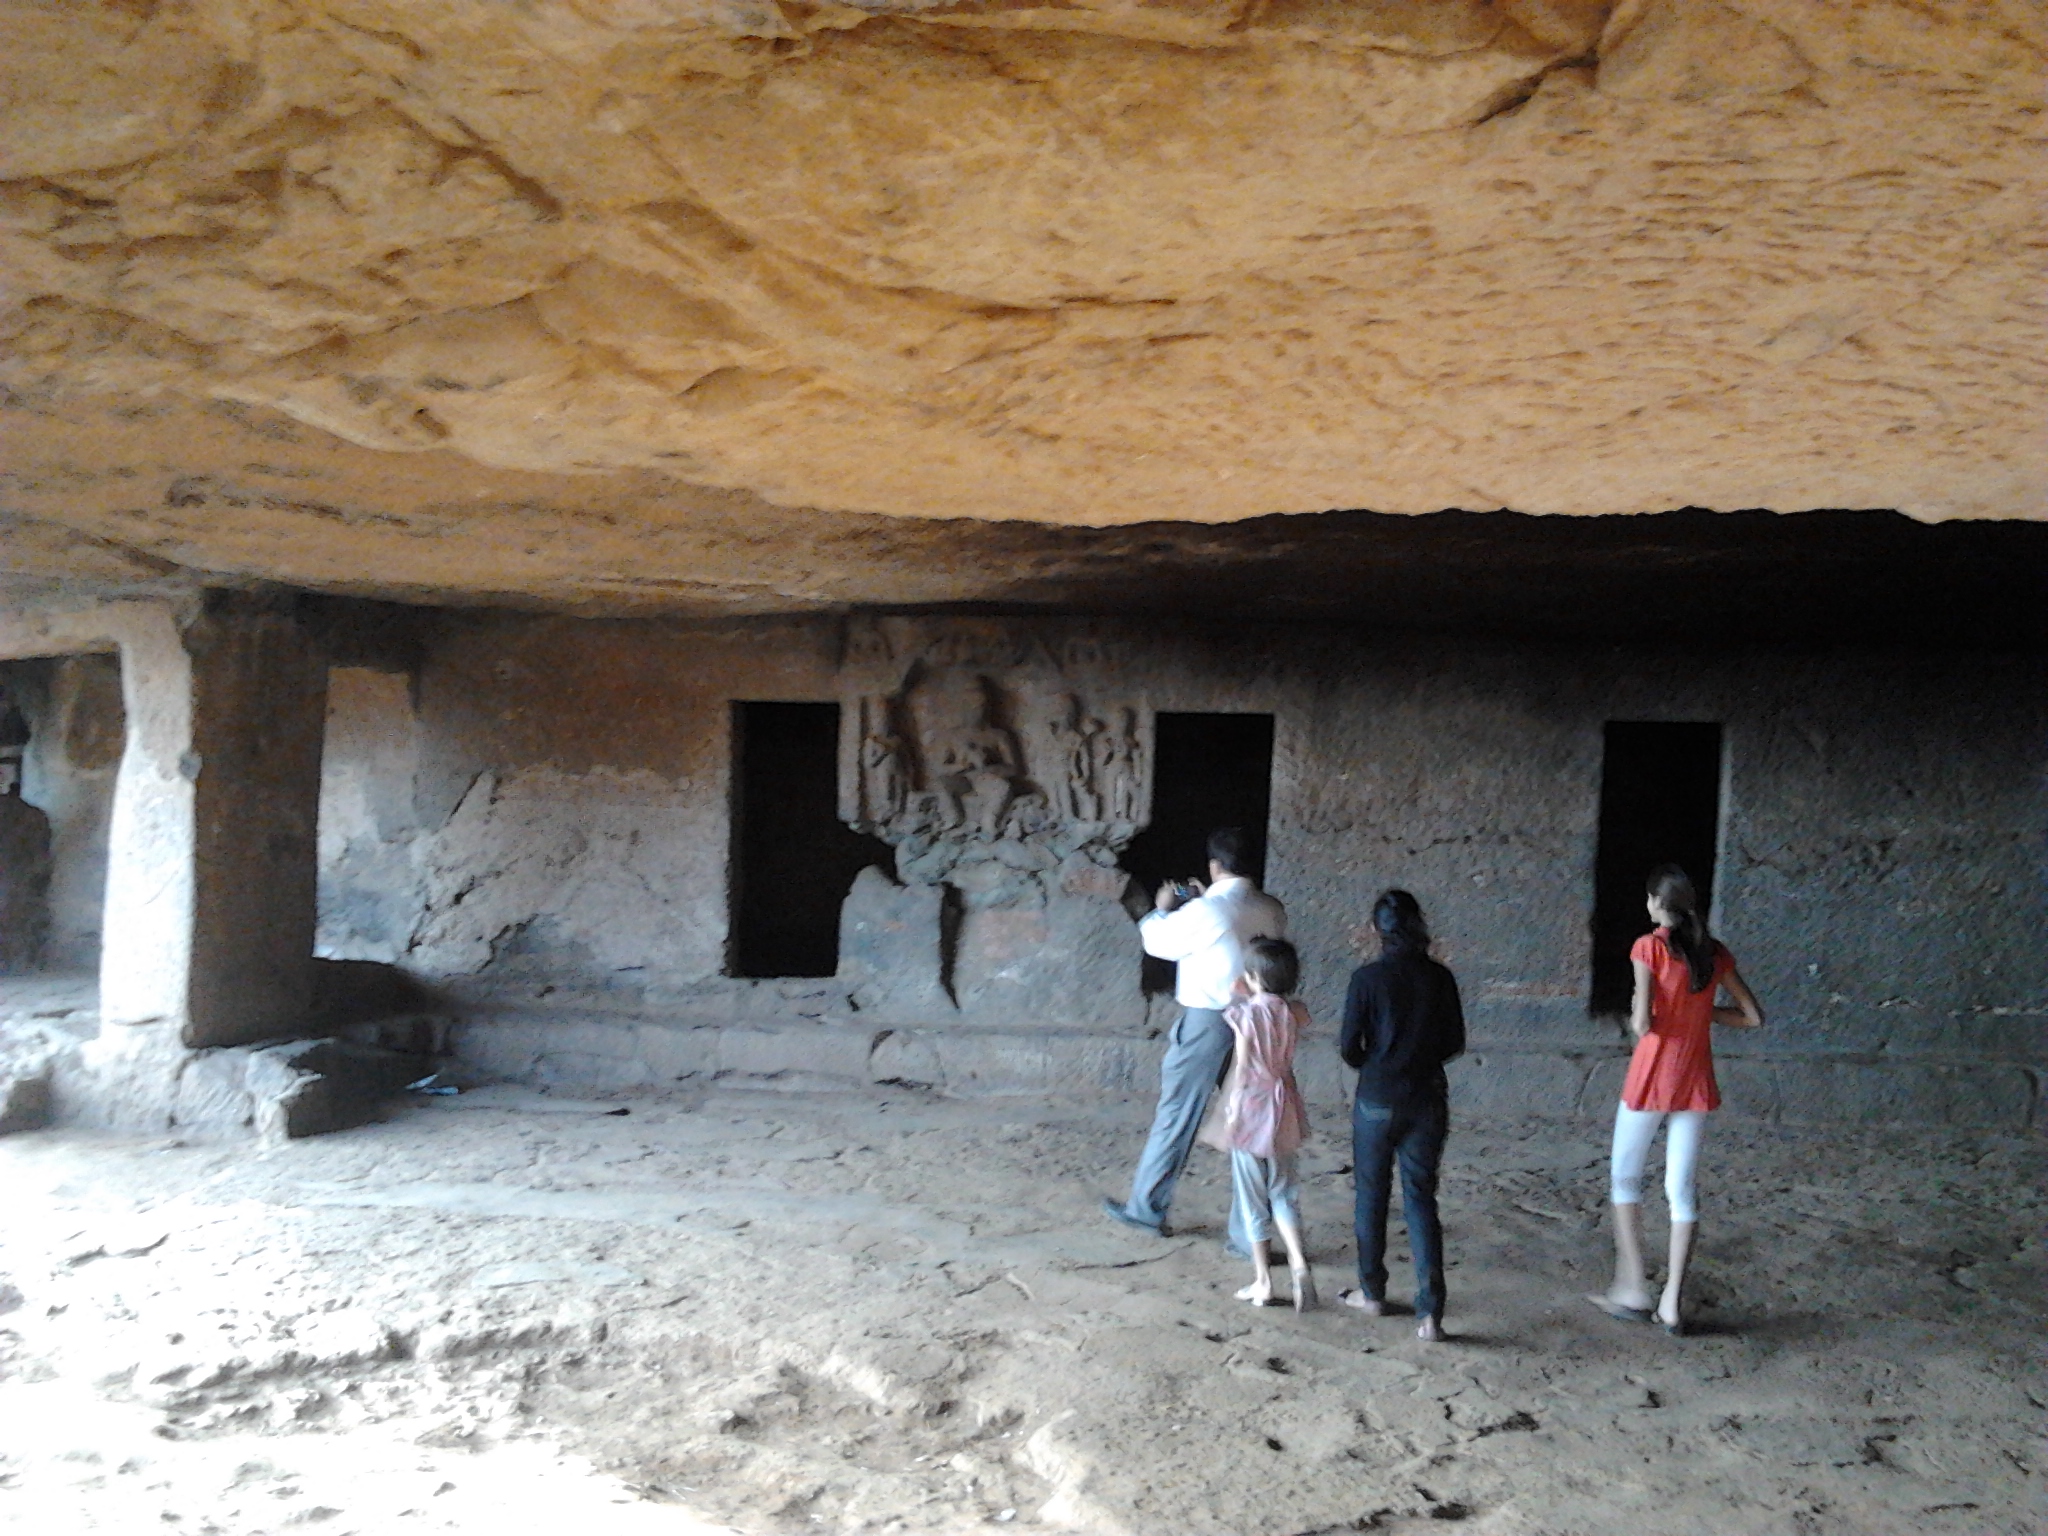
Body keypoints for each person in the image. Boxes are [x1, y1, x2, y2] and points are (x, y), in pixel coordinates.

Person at [1591, 864, 1763, 1335]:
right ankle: (1671, 1302)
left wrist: (1637, 1012)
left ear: (1654, 904)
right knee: (1680, 1192)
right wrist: (1702, 1016)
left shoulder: (1648, 948)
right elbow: (1752, 1017)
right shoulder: (1714, 953)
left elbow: (1643, 1024)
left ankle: (1632, 1288)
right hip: (1694, 1076)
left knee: (1625, 1179)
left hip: (1650, 1075)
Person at [1103, 826, 1286, 1243]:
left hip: (1209, 1020)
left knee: (1177, 1114)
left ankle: (1146, 1208)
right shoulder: (1271, 908)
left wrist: (1164, 908)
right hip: (1256, 1020)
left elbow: (1158, 943)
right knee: (1250, 1123)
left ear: (1214, 866)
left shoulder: (1208, 911)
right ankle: (1249, 1236)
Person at [1338, 889, 1464, 1342]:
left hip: (1377, 1097)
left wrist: (1379, 1061)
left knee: (1371, 1194)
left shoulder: (1367, 979)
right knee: (1420, 1199)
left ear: (1377, 930)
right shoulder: (1440, 978)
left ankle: (1372, 1292)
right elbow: (1455, 1042)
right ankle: (1430, 1314)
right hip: (1427, 1096)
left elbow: (1349, 1048)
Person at [1219, 938, 1316, 1310]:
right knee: (1284, 1193)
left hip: (1253, 1110)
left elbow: (1242, 1069)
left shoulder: (1244, 1015)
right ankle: (1300, 1263)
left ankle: (1263, 1281)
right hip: (1285, 1109)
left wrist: (1230, 1109)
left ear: (1253, 976)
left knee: (1252, 1200)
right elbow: (1285, 1011)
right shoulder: (1294, 1013)